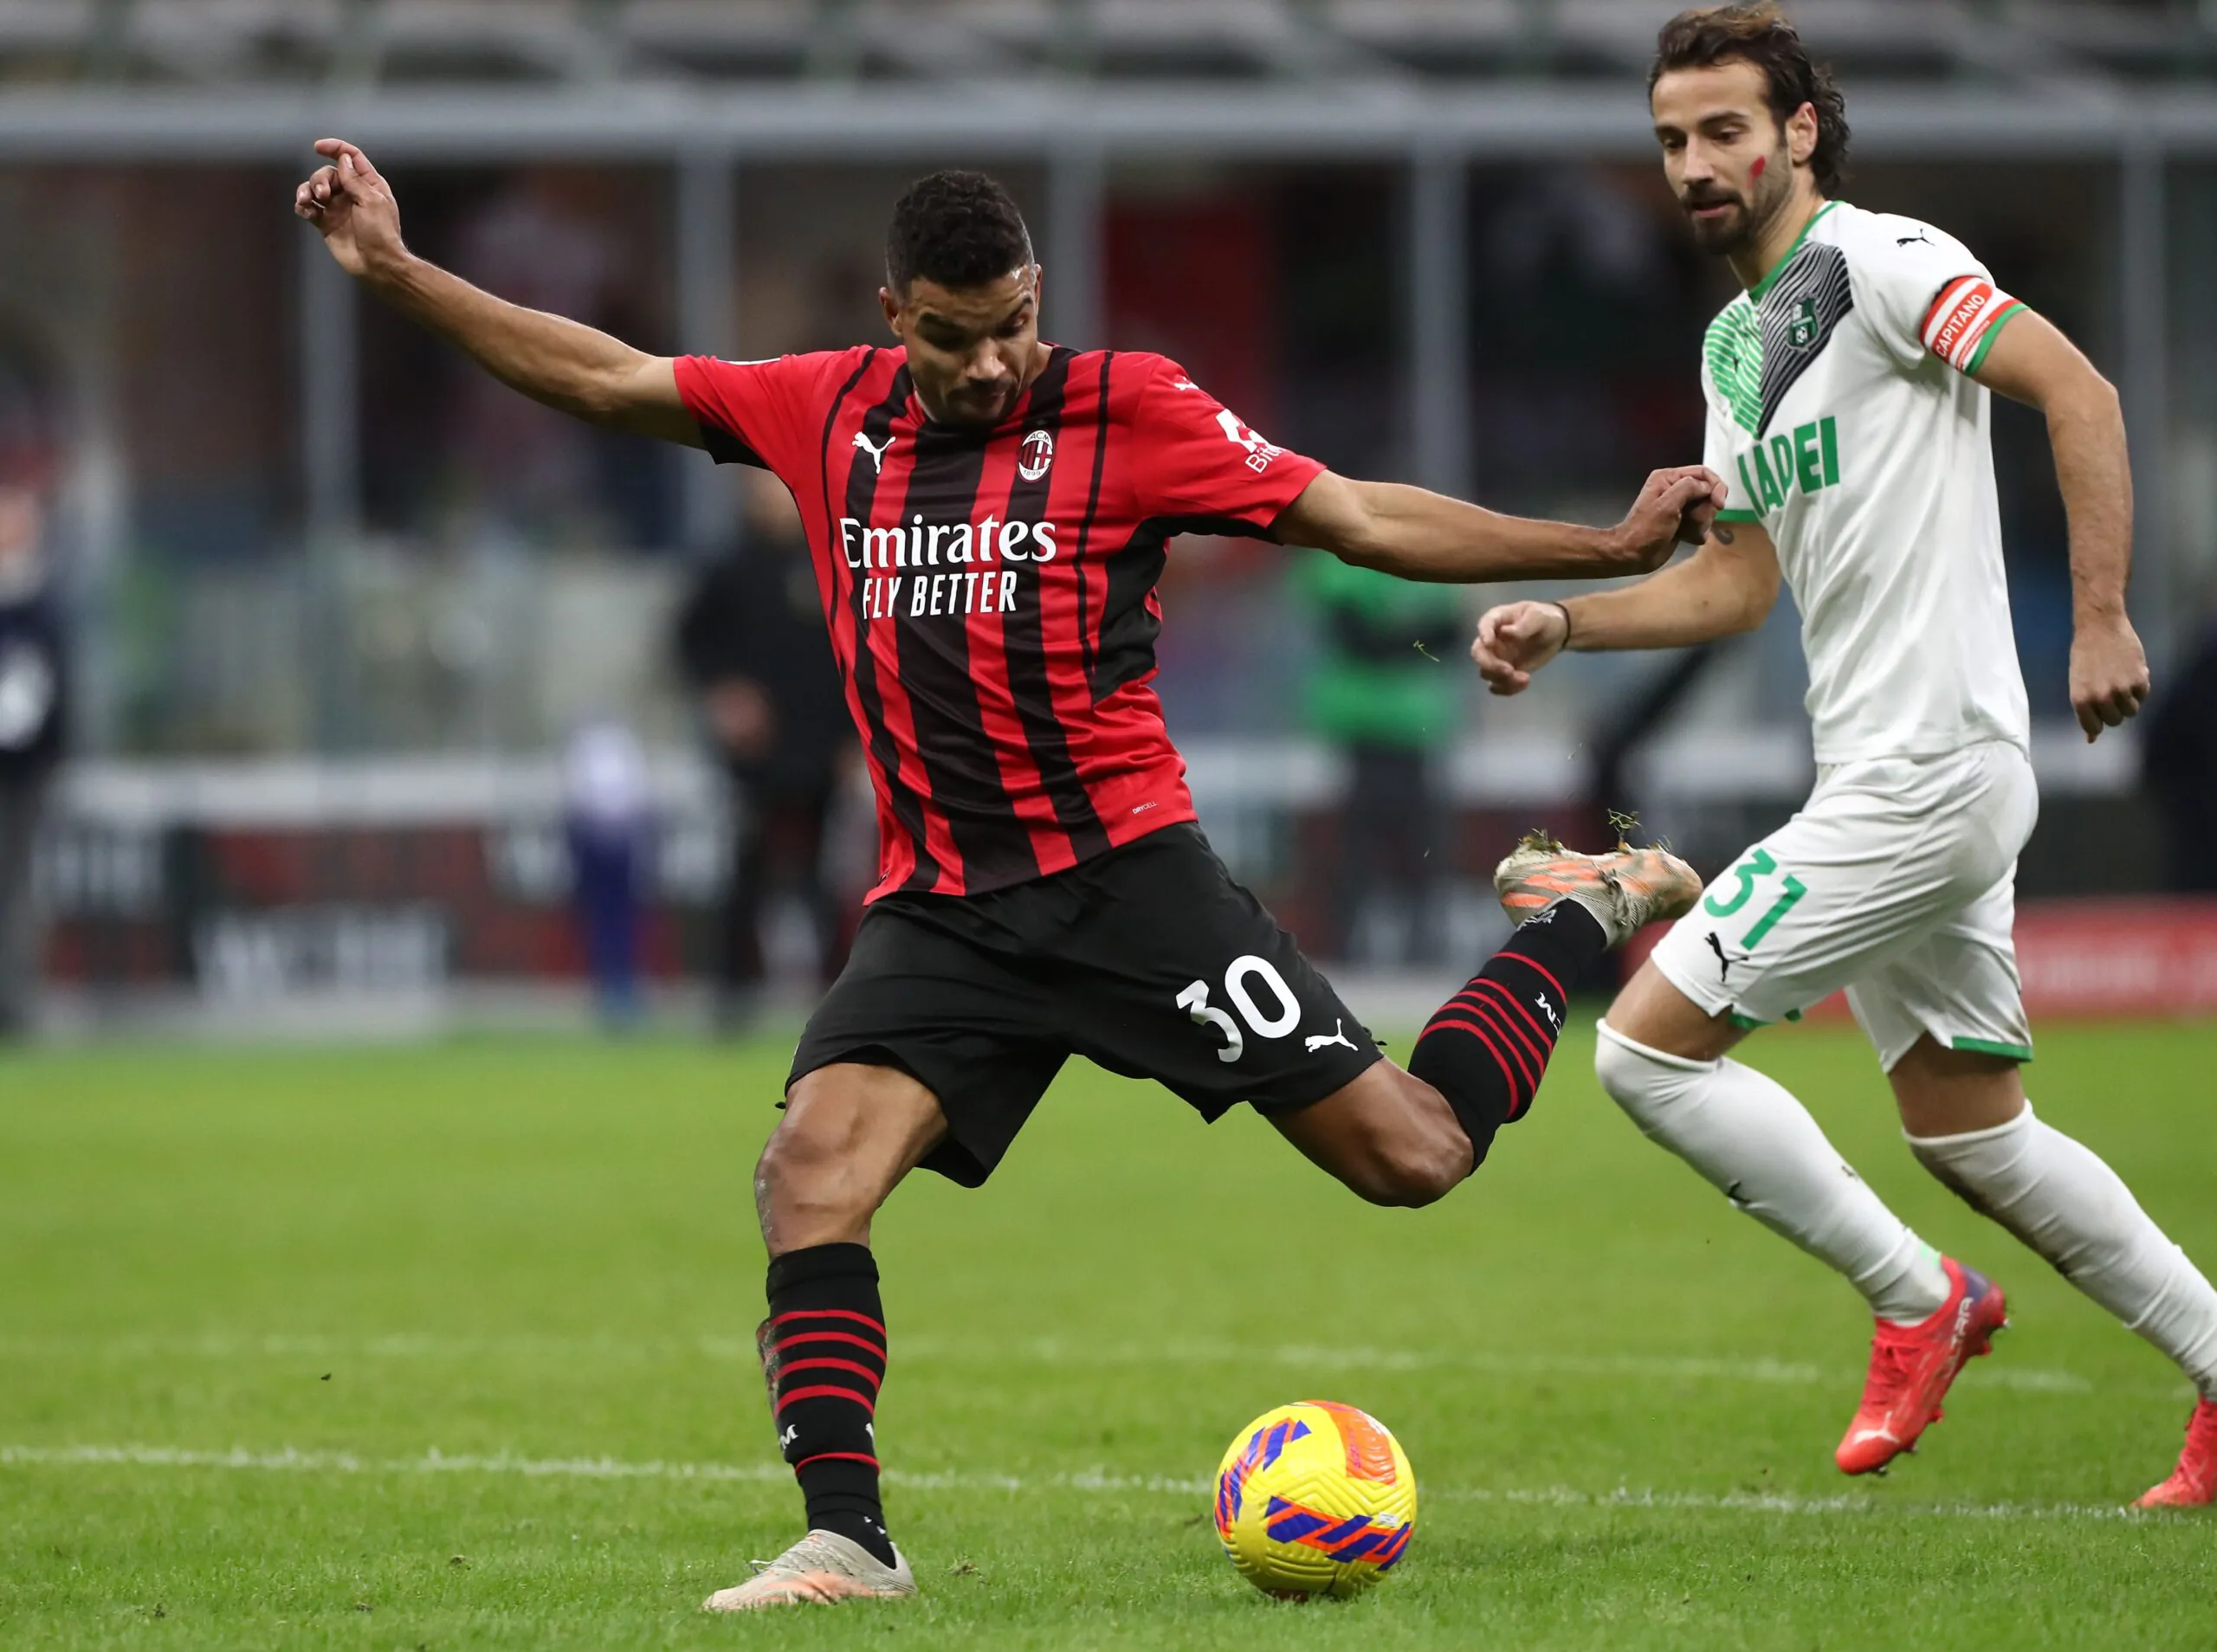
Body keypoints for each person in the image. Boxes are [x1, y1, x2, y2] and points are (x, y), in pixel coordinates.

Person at [295, 142, 1720, 1608]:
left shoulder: (1131, 408)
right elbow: (607, 377)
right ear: (892, 314)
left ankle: (1574, 911)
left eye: (1012, 325)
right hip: (945, 910)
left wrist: (1600, 547)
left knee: (1414, 1155)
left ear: (1037, 292)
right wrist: (396, 271)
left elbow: (1355, 514)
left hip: (1128, 881)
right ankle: (849, 1540)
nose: (988, 363)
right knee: (810, 1173)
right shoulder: (823, 410)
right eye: (951, 334)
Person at [1473, 2, 2217, 1510]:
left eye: (1724, 131)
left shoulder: (1884, 260)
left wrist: (2099, 616)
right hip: (1883, 771)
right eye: (1672, 140)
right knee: (1975, 1136)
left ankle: (1917, 1299)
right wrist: (1571, 621)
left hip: (1930, 769)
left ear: (1799, 130)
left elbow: (2077, 390)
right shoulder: (1735, 345)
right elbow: (1737, 585)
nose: (1695, 164)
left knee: (1643, 1049)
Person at [675, 474, 856, 1024]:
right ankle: (731, 997)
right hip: (755, 756)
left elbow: (857, 652)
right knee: (746, 869)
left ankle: (840, 998)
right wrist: (723, 693)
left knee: (824, 876)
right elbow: (690, 641)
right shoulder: (729, 566)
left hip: (820, 746)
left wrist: (854, 737)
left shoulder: (831, 560)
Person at [1296, 552, 1464, 966]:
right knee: (1364, 840)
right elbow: (1360, 638)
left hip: (1413, 725)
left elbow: (1451, 633)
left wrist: (1400, 637)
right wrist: (1418, 638)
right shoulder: (1340, 562)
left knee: (1417, 841)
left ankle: (1421, 944)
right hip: (1366, 725)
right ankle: (1351, 942)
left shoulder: (1421, 557)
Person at [0, 337, 64, 1043]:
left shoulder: (41, 604)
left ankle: (15, 1002)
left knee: (18, 886)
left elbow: (51, 689)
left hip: (25, 769)